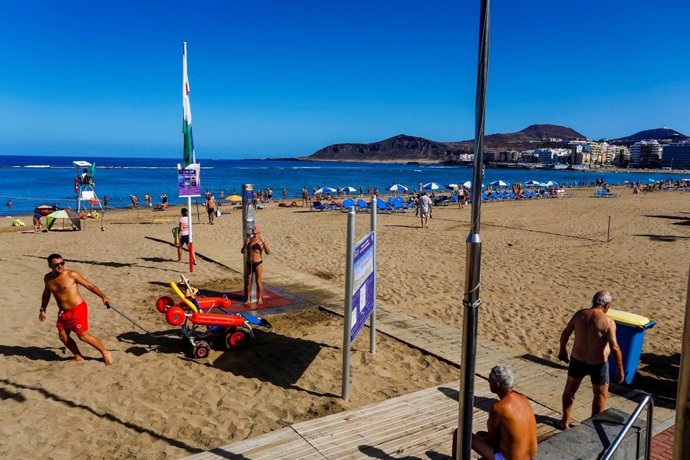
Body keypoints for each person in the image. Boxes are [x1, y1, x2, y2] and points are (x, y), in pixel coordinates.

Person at [558, 290, 624, 430]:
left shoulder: (580, 314)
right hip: (598, 363)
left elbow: (565, 333)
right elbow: (615, 347)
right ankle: (592, 427)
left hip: (577, 359)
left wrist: (562, 350)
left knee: (569, 391)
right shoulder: (608, 321)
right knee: (599, 395)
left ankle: (565, 421)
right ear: (606, 305)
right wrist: (620, 367)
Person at [40, 254, 113, 365]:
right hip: (63, 312)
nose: (60, 266)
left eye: (62, 263)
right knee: (63, 336)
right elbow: (46, 294)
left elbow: (89, 285)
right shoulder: (48, 278)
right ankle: (78, 356)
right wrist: (42, 309)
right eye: (56, 265)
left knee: (83, 336)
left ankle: (105, 352)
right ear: (50, 266)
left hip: (77, 309)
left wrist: (103, 297)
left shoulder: (71, 275)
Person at [470, 365, 538, 460]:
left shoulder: (498, 407)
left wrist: (483, 441)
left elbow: (494, 440)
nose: (488, 382)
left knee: (460, 434)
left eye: (489, 380)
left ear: (497, 385)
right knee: (480, 434)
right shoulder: (524, 398)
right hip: (529, 456)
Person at [241, 225, 270, 304]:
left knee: (258, 281)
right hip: (249, 263)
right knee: (248, 282)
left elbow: (268, 252)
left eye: (256, 228)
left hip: (258, 263)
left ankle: (259, 298)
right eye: (253, 228)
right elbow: (242, 251)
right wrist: (245, 245)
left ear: (259, 231)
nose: (254, 229)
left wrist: (263, 244)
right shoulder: (249, 240)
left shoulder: (262, 240)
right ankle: (248, 299)